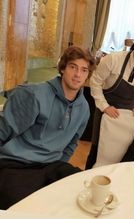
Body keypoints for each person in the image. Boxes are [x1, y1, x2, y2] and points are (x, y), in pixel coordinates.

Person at [0, 46, 96, 209]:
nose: (78, 74)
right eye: (73, 67)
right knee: (23, 205)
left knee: (85, 192)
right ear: (63, 68)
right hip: (17, 163)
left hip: (52, 164)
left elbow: (72, 144)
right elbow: (3, 130)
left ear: (88, 75)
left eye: (84, 70)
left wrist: (58, 164)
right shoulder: (34, 95)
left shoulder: (84, 108)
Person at [85, 26, 134, 169]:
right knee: (98, 151)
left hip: (128, 117)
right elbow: (95, 81)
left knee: (123, 152)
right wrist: (104, 106)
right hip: (105, 112)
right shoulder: (113, 59)